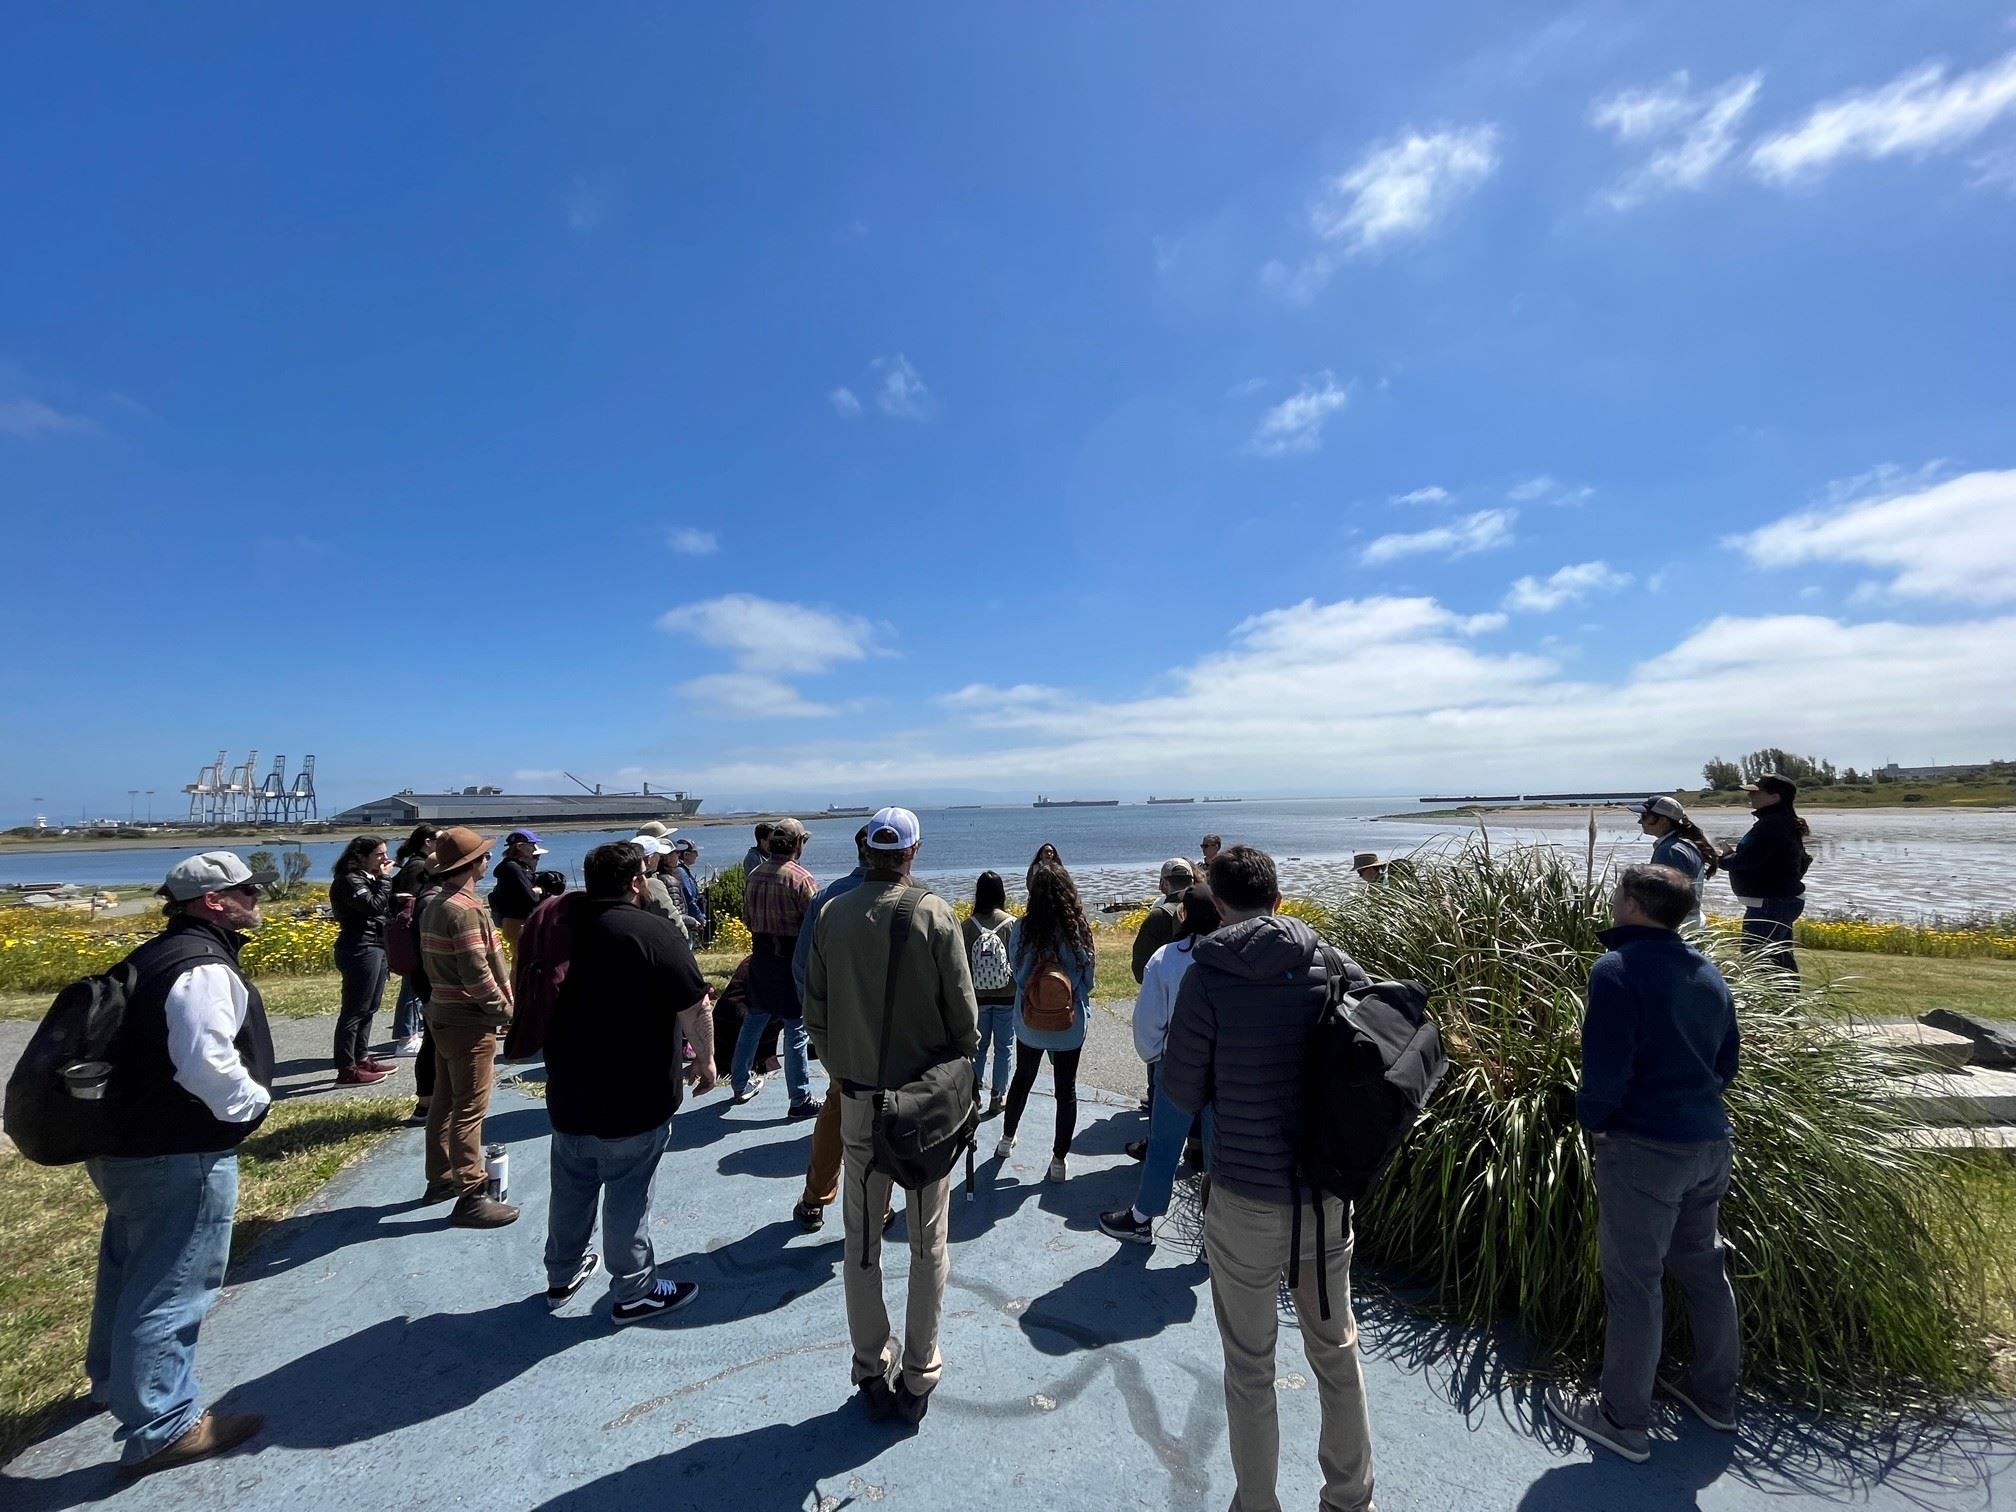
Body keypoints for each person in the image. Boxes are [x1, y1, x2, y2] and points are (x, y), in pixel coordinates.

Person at [1161, 844, 1377, 1512]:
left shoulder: (1209, 974)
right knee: (1335, 1351)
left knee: (1250, 1366)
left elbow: (1182, 1090)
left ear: (1218, 905)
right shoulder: (1331, 960)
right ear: (1279, 897)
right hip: (1323, 1192)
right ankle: (1350, 1497)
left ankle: (1257, 1502)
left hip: (1245, 1195)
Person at [80, 852, 277, 1480]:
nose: (256, 900)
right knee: (173, 1279)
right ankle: (163, 1424)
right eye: (247, 891)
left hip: (126, 1141)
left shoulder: (155, 954)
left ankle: (115, 1381)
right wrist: (253, 1104)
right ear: (214, 901)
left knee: (129, 1260)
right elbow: (205, 1063)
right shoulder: (202, 966)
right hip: (177, 1148)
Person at [1545, 863, 1741, 1463]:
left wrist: (1595, 1120)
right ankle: (1717, 1397)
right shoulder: (1708, 973)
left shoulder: (1616, 970)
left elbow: (1606, 1068)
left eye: (1617, 896)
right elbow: (1726, 1064)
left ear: (1632, 905)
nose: (1612, 902)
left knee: (1635, 1284)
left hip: (1644, 1148)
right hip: (1708, 1141)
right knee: (1704, 1268)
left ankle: (1623, 1420)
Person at [803, 805, 979, 1426]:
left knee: (862, 1238)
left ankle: (870, 1365)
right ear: (913, 852)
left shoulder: (830, 913)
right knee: (928, 1240)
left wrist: (842, 1068)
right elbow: (964, 1016)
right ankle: (919, 1372)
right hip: (923, 1105)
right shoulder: (932, 912)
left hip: (858, 1100)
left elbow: (815, 1010)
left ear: (865, 850)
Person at [542, 842, 717, 1323]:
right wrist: (706, 1059)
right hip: (633, 1091)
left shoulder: (562, 925)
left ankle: (561, 1273)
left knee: (572, 1184)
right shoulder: (650, 930)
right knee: (628, 1190)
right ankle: (635, 1289)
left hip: (567, 1086)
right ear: (636, 882)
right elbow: (695, 1003)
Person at [1101, 884, 1221, 1245]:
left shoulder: (1166, 958)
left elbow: (1148, 1022)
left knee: (1164, 1144)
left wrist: (1155, 1055)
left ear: (1183, 914)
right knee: (1219, 1151)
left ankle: (1142, 1218)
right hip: (1224, 1066)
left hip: (1178, 1062)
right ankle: (1216, 1235)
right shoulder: (1231, 955)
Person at [419, 826, 519, 1228]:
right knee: (471, 1108)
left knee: (445, 1100)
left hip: (443, 1013)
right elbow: (477, 971)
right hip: (467, 1020)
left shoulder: (436, 904)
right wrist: (504, 1012)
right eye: (482, 856)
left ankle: (440, 1176)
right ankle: (472, 1192)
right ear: (471, 864)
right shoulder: (464, 909)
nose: (488, 860)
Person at [790, 828, 872, 1232]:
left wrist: (819, 1026)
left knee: (838, 1108)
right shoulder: (921, 900)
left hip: (840, 1032)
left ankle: (816, 1198)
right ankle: (878, 1204)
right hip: (898, 1037)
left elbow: (802, 968)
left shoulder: (828, 897)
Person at [996, 862, 1096, 1183]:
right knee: (1065, 1090)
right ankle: (1058, 1160)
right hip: (1068, 1023)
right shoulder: (1077, 928)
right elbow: (1089, 978)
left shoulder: (1023, 928)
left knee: (1023, 1078)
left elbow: (1018, 973)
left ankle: (1006, 1139)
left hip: (1030, 1021)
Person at [732, 817, 820, 1116]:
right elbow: (814, 926)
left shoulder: (755, 875)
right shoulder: (801, 878)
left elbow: (746, 918)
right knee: (796, 1029)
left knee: (754, 1020)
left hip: (761, 957)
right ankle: (800, 1098)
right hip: (791, 959)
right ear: (798, 844)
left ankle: (740, 1081)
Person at [1716, 774, 1811, 978]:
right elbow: (1757, 858)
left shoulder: (1772, 825)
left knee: (1756, 959)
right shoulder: (1781, 821)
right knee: (1779, 958)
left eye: (1756, 792)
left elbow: (1747, 860)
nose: (1750, 795)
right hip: (1780, 901)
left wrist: (1722, 860)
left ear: (1775, 797)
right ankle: (1787, 1004)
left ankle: (1768, 1005)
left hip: (1769, 904)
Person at [328, 836, 397, 1086]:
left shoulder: (366, 878)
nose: (385, 859)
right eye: (379, 855)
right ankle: (346, 1069)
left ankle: (361, 1058)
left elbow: (382, 906)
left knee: (369, 1007)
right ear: (360, 856)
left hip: (375, 944)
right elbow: (373, 906)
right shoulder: (349, 880)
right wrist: (386, 879)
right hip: (359, 947)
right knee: (354, 1011)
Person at [964, 870, 1018, 1119]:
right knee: (1004, 1047)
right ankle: (998, 1095)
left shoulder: (967, 926)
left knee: (979, 1048)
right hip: (1007, 996)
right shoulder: (1011, 924)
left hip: (978, 997)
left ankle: (974, 1096)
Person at [388, 824, 438, 1055]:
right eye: (440, 840)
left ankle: (410, 1032)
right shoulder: (418, 866)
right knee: (412, 986)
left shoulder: (415, 863)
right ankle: (406, 1036)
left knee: (415, 985)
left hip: (414, 932)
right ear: (428, 842)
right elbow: (409, 905)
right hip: (413, 934)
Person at [1634, 796, 1718, 925]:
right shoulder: (1687, 843)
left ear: (1663, 820)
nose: (1640, 822)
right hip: (1691, 918)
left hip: (1678, 922)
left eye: (1645, 816)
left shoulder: (1669, 850)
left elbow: (1666, 894)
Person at [1131, 859, 1193, 985]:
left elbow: (1140, 969)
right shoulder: (1207, 910)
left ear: (1163, 883)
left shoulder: (1157, 916)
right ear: (1192, 881)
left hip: (1166, 988)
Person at [489, 829, 547, 956]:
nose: (534, 848)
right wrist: (540, 890)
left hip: (513, 920)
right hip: (516, 921)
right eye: (531, 845)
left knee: (520, 959)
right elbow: (530, 897)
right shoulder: (513, 868)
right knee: (521, 959)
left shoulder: (513, 867)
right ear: (520, 847)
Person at [670, 838, 708, 940]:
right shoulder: (681, 872)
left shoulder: (682, 871)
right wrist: (699, 917)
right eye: (695, 852)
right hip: (687, 920)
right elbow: (689, 898)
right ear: (686, 854)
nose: (697, 855)